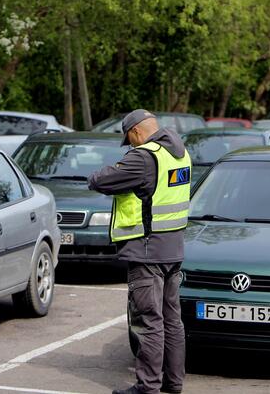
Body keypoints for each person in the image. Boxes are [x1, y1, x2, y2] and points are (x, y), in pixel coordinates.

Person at [88, 109, 191, 394]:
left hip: (147, 252)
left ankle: (148, 387)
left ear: (135, 132)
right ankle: (173, 382)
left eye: (129, 140)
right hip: (172, 249)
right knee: (172, 319)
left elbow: (101, 180)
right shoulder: (180, 153)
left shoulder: (144, 156)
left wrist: (94, 175)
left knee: (148, 321)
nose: (130, 145)